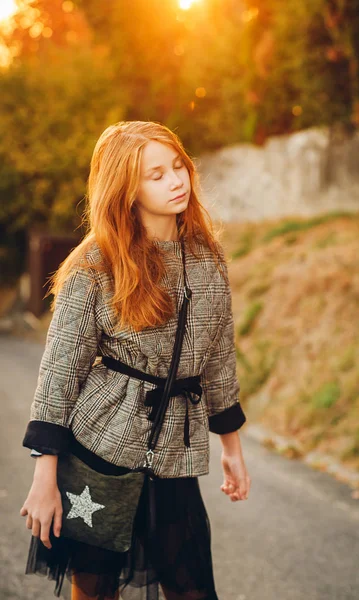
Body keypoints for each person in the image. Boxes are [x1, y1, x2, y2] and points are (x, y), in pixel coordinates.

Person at [19, 120, 251, 600]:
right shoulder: (93, 265)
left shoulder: (209, 259)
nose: (176, 180)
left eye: (178, 166)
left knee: (193, 589)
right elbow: (60, 374)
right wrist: (45, 478)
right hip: (101, 449)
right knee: (96, 591)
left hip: (176, 457)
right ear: (126, 188)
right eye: (155, 174)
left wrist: (231, 448)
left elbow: (220, 359)